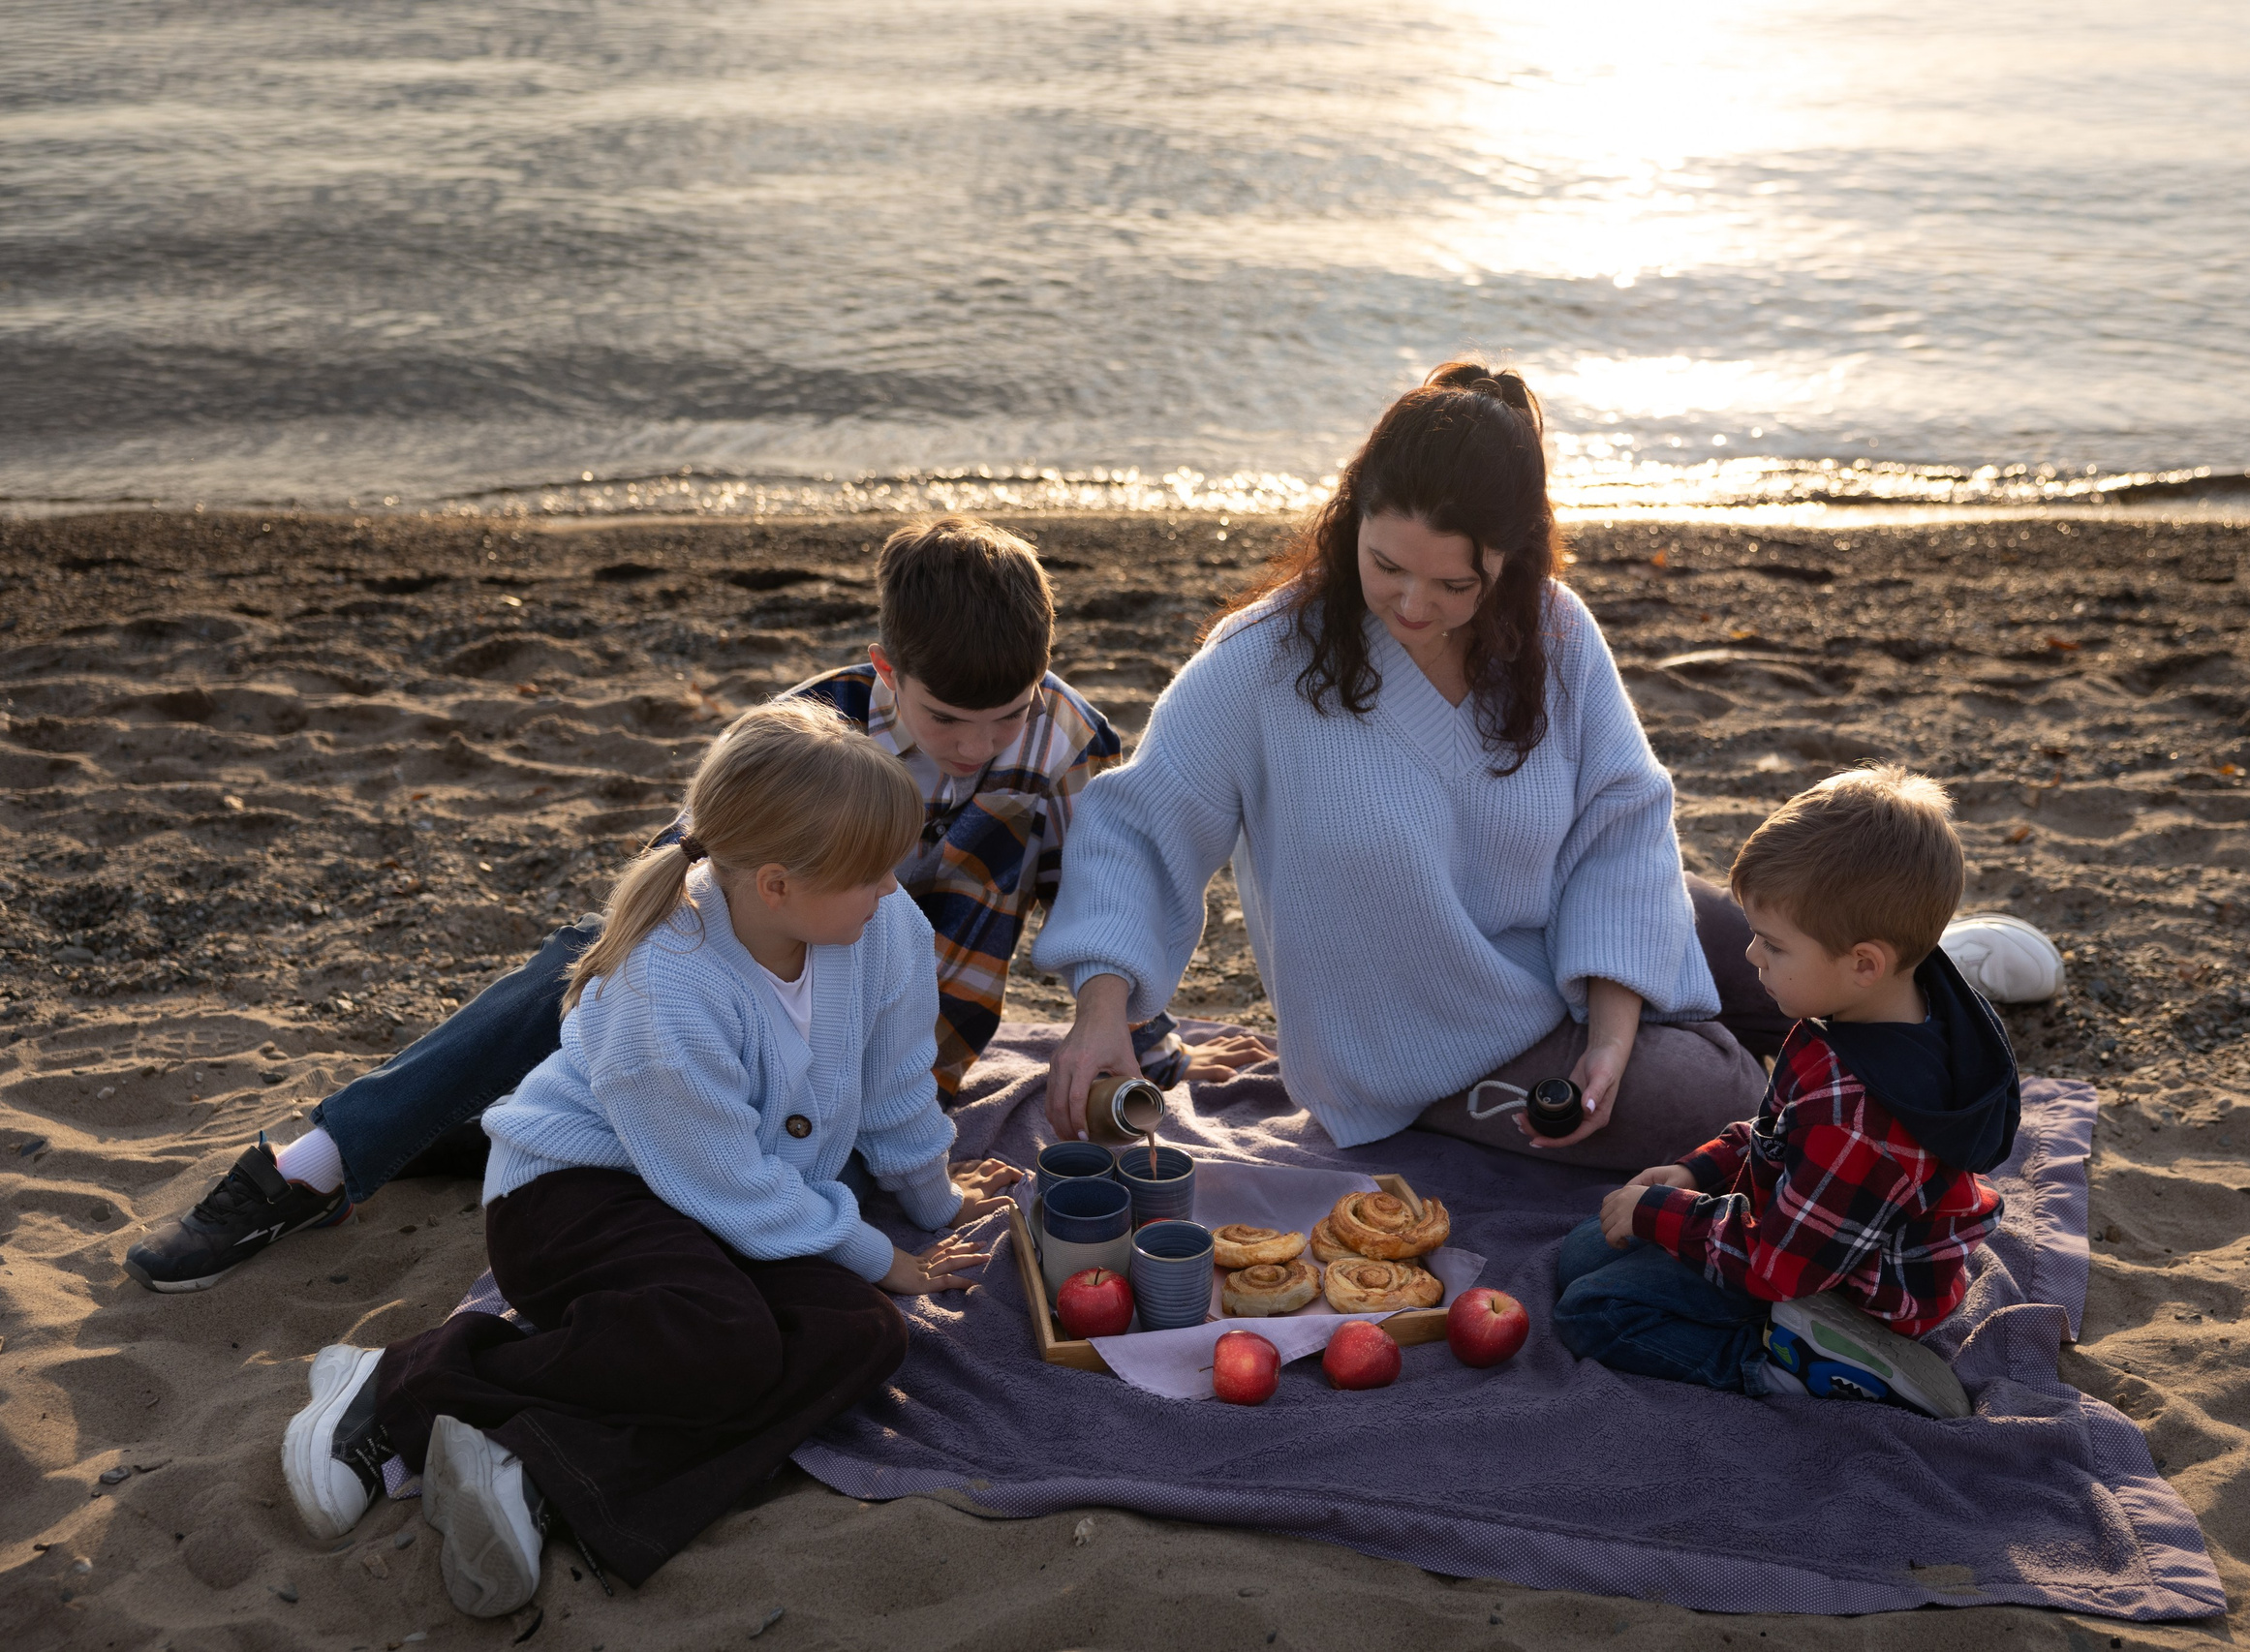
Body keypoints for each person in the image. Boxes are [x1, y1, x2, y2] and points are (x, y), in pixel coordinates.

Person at [125, 515, 1263, 1293]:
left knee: (731, 1172)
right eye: (944, 719)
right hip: (738, 996)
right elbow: (679, 882)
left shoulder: (1061, 736)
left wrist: (1142, 1032)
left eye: (1005, 714)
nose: (975, 745)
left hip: (891, 1049)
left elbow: (1105, 888)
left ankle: (479, 1129)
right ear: (886, 670)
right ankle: (319, 1161)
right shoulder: (812, 725)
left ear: (1044, 677)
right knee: (588, 955)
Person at [280, 699, 1017, 1615]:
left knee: (860, 1334)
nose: (891, 889)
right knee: (723, 1338)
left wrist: (936, 1200)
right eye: (869, 875)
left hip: (726, 1205)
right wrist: (879, 1253)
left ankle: (538, 1468)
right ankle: (403, 1380)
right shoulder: (665, 978)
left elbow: (899, 1084)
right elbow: (722, 1181)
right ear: (777, 885)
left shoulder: (885, 928)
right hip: (575, 1199)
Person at [1035, 361, 1776, 1167]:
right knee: (1725, 1102)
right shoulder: (1262, 659)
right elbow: (1141, 831)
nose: (1415, 605)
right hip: (1430, 1038)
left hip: (1562, 929)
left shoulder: (1555, 632)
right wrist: (1101, 1011)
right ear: (1351, 515)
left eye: (1454, 583)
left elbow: (1621, 822)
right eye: (1387, 566)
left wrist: (1611, 1031)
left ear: (1512, 556)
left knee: (1799, 947)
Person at [1553, 767, 2021, 1418]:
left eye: (1773, 945)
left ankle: (1792, 1363)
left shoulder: (1860, 1118)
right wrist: (1700, 1170)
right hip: (1807, 1231)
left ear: (1864, 963)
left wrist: (1663, 1214)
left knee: (1591, 1311)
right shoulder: (1867, 1010)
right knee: (1584, 1251)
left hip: (1839, 1289)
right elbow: (1781, 1133)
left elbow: (1778, 1265)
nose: (1752, 956)